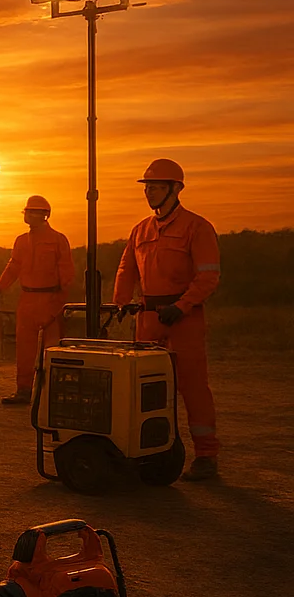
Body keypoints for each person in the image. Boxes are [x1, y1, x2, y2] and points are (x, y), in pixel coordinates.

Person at [113, 158, 221, 482]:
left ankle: (206, 455)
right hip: (148, 318)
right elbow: (126, 269)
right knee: (145, 389)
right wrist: (120, 302)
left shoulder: (197, 228)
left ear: (176, 189)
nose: (149, 193)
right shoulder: (140, 230)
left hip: (184, 319)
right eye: (147, 187)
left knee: (191, 387)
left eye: (156, 187)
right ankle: (152, 451)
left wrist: (183, 305)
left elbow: (208, 277)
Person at [0, 196, 74, 404]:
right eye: (27, 211)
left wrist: (57, 305)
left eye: (32, 212)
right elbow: (13, 268)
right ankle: (24, 391)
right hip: (27, 299)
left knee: (52, 350)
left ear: (44, 215)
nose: (28, 215)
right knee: (24, 349)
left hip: (50, 299)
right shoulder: (21, 241)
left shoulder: (58, 240)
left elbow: (67, 276)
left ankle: (52, 394)